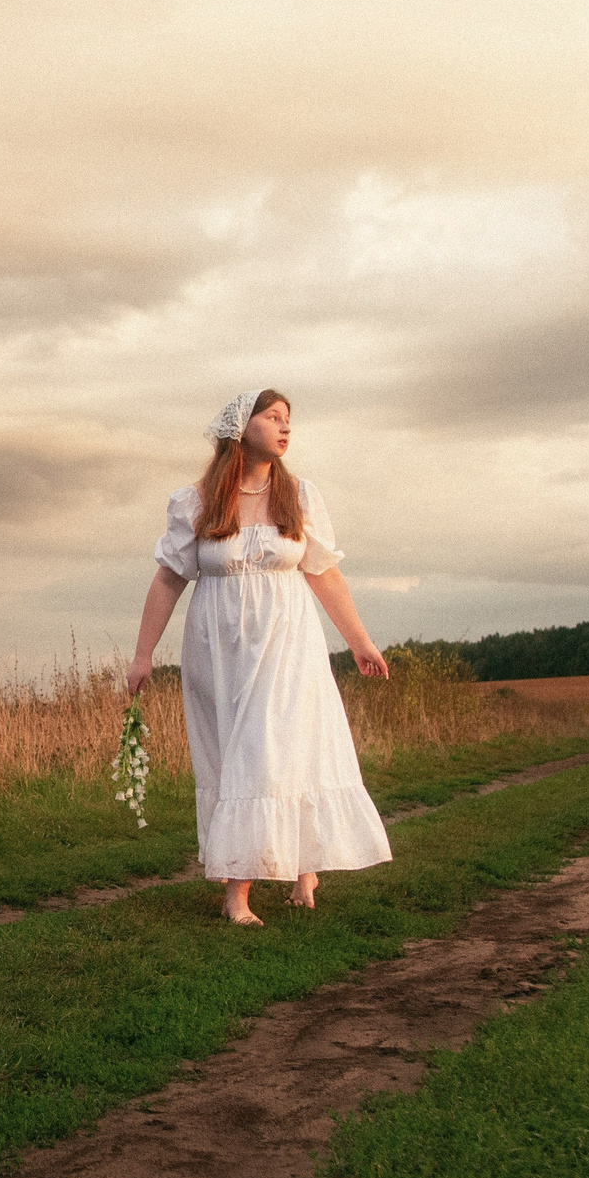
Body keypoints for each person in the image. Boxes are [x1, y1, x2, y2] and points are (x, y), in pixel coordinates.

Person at [124, 389, 393, 926]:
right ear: (239, 429)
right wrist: (143, 655)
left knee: (270, 750)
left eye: (288, 419)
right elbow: (167, 578)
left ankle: (241, 893)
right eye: (272, 417)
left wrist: (360, 642)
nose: (284, 427)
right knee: (234, 756)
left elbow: (323, 572)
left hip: (288, 641)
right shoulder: (196, 502)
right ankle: (296, 869)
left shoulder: (300, 497)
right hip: (219, 647)